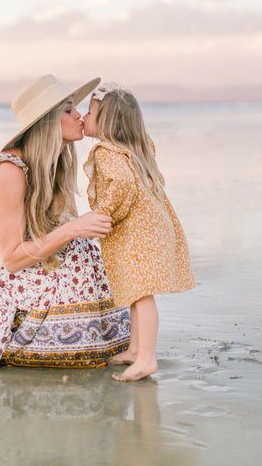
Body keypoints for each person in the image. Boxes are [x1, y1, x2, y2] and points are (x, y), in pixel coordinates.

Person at [0, 74, 130, 370]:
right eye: (69, 110)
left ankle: (70, 335)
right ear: (48, 122)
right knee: (74, 252)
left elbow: (56, 233)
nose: (79, 116)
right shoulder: (10, 171)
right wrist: (74, 228)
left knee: (82, 252)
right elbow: (12, 259)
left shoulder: (54, 163)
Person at [82, 82, 195, 382]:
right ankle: (135, 350)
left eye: (90, 112)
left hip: (137, 233)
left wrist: (102, 215)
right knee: (136, 291)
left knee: (142, 296)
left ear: (106, 121)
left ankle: (146, 358)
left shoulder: (106, 152)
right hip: (154, 228)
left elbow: (121, 186)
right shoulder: (134, 148)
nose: (83, 116)